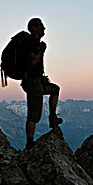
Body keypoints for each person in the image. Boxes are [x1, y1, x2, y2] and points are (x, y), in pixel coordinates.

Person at [21, 18, 63, 149]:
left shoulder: (35, 42)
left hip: (37, 80)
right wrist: (42, 50)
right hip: (32, 81)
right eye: (41, 26)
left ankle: (52, 117)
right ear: (34, 28)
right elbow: (33, 60)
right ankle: (29, 143)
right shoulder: (32, 42)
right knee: (34, 114)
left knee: (54, 89)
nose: (44, 28)